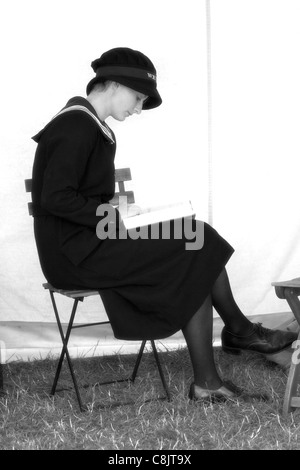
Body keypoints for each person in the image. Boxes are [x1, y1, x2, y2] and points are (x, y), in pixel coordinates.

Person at [31, 47, 297, 404]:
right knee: (195, 241)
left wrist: (116, 209)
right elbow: (55, 198)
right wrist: (113, 215)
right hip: (76, 256)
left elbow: (77, 196)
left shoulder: (89, 124)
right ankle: (238, 335)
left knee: (195, 239)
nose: (139, 109)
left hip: (93, 241)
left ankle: (218, 365)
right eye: (138, 97)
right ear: (112, 84)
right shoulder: (75, 125)